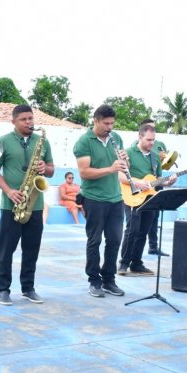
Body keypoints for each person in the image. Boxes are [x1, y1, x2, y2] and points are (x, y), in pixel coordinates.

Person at [0, 105, 54, 305]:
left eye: (31, 118)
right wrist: (9, 191)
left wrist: (45, 167)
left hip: (35, 205)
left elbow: (51, 170)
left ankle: (28, 288)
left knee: (32, 249)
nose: (29, 123)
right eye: (24, 119)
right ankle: (3, 289)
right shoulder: (2, 142)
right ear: (14, 122)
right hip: (12, 205)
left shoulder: (42, 141)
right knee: (6, 250)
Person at [73, 104, 127, 298]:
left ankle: (109, 280)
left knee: (114, 240)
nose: (110, 127)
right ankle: (94, 281)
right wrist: (111, 169)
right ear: (95, 120)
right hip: (94, 198)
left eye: (112, 123)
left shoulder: (116, 138)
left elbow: (122, 167)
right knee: (94, 240)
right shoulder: (84, 142)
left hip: (115, 198)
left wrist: (124, 161)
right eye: (106, 123)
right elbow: (84, 172)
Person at [118, 124, 177, 276]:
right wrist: (136, 182)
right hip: (132, 195)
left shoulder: (155, 156)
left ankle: (136, 263)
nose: (152, 143)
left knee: (143, 231)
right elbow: (120, 175)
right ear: (140, 137)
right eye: (149, 140)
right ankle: (123, 263)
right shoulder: (128, 152)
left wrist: (168, 181)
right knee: (132, 230)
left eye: (153, 140)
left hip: (150, 197)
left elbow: (157, 179)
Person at [139, 118, 168, 255]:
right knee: (137, 225)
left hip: (156, 184)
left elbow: (163, 166)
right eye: (149, 127)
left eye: (154, 128)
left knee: (154, 217)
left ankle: (153, 246)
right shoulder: (135, 146)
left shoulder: (160, 144)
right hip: (141, 189)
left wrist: (166, 159)